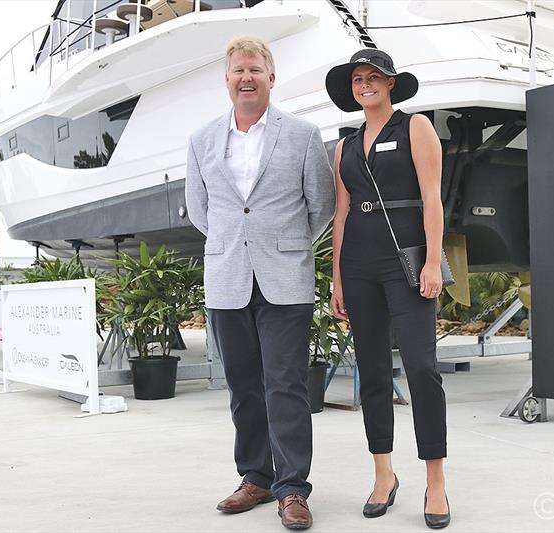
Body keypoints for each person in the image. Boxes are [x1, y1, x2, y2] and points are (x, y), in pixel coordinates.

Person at [185, 36, 335, 530]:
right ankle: (256, 477)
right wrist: (240, 243)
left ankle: (293, 488)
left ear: (272, 78)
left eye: (255, 70)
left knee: (286, 384)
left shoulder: (303, 134)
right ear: (226, 80)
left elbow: (322, 206)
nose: (245, 78)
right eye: (237, 71)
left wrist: (282, 244)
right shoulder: (202, 139)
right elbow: (203, 211)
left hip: (284, 277)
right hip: (228, 276)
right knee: (243, 387)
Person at [325, 49, 451, 529]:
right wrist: (337, 276)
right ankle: (383, 475)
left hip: (407, 261)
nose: (365, 84)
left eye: (373, 76)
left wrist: (434, 261)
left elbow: (432, 197)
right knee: (372, 371)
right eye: (358, 78)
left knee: (421, 367)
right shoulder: (345, 146)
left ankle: (435, 480)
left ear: (391, 83)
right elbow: (341, 213)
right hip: (357, 262)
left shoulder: (415, 127)